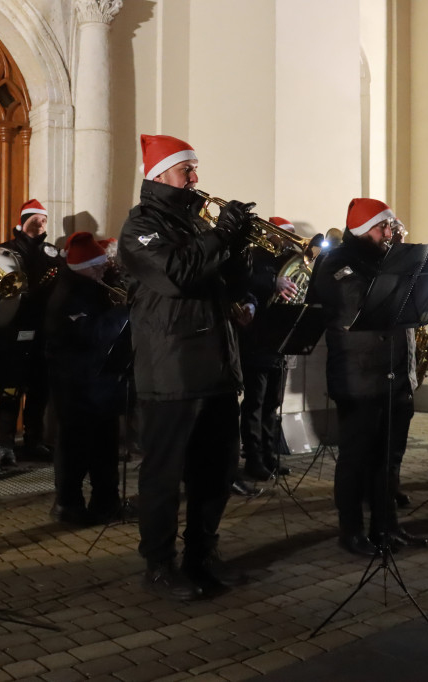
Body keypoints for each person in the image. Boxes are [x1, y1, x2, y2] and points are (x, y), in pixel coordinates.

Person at [119, 133, 254, 600]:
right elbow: (176, 274)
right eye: (186, 170)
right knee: (163, 474)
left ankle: (202, 553)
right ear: (159, 177)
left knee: (214, 471)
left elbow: (224, 279)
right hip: (170, 369)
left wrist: (240, 247)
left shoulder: (197, 224)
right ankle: (159, 565)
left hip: (214, 363)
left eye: (195, 169)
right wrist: (222, 235)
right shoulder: (140, 227)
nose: (196, 179)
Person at [312, 198, 426, 557]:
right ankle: (351, 532)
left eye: (392, 227)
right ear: (363, 229)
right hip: (359, 378)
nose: (390, 234)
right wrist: (399, 269)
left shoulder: (384, 259)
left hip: (394, 375)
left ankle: (387, 526)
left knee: (389, 459)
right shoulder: (338, 261)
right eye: (383, 227)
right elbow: (357, 303)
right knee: (356, 459)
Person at [44, 232, 129, 526]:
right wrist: (123, 314)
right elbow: (92, 333)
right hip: (75, 383)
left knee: (105, 445)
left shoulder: (90, 286)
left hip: (98, 381)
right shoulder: (68, 292)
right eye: (97, 267)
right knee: (74, 447)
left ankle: (106, 500)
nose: (102, 271)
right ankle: (68, 503)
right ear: (82, 267)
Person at [0, 199, 63, 466]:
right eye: (35, 220)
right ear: (22, 223)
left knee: (39, 389)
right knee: (11, 389)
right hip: (14, 330)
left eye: (44, 220)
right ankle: (5, 444)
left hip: (43, 330)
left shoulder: (52, 253)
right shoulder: (5, 250)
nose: (40, 224)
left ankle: (34, 441)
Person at [238, 216, 298, 481]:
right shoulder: (255, 254)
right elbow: (245, 282)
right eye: (286, 235)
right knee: (255, 403)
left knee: (272, 403)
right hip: (256, 340)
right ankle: (253, 459)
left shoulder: (287, 259)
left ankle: (270, 457)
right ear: (272, 234)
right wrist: (274, 283)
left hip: (278, 340)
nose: (290, 240)